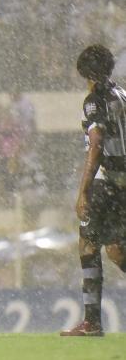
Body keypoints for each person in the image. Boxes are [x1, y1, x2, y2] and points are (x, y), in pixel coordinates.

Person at [61, 45, 126, 336]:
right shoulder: (123, 95)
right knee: (116, 250)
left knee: (88, 242)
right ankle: (91, 322)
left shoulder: (93, 101)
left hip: (110, 181)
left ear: (85, 73)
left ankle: (91, 322)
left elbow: (96, 145)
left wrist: (83, 190)